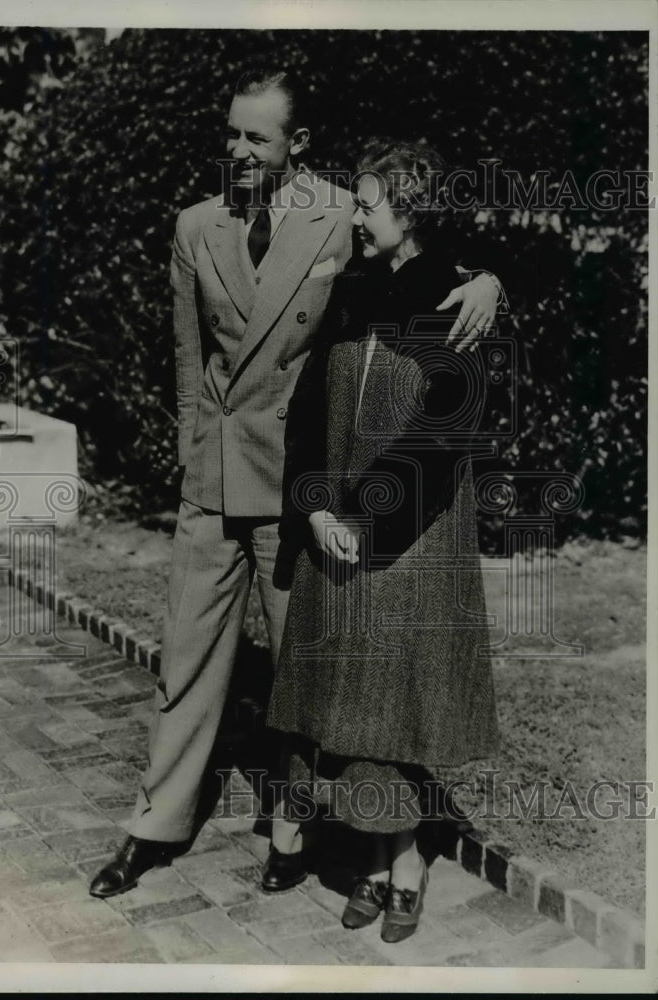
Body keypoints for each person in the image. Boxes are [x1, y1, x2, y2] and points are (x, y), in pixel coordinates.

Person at [89, 68, 505, 900]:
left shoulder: (339, 214)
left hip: (295, 486)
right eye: (231, 134)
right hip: (213, 479)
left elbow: (419, 262)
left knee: (306, 669)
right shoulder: (194, 225)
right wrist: (189, 449)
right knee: (186, 659)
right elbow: (185, 361)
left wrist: (492, 281)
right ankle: (154, 825)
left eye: (258, 138)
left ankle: (295, 825)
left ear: (296, 146)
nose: (239, 151)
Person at [264, 138, 500, 943]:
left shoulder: (458, 303)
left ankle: (402, 864)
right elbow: (303, 417)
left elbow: (443, 438)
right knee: (345, 704)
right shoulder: (352, 292)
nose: (355, 218)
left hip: (414, 538)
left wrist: (367, 517)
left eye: (367, 205)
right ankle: (377, 856)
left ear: (409, 209)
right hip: (338, 527)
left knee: (390, 711)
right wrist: (317, 508)